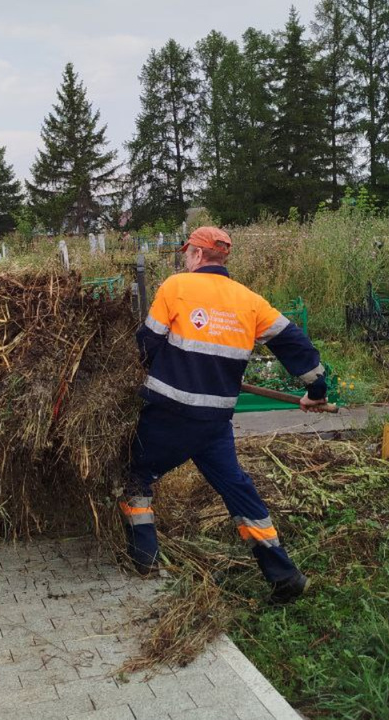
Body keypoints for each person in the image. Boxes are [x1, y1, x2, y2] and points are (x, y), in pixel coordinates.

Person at [123, 226, 327, 605]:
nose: (186, 258)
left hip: (170, 413)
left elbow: (147, 343)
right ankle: (284, 576)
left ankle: (145, 561)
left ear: (198, 255)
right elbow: (292, 341)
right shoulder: (249, 301)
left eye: (188, 253)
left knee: (135, 476)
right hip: (214, 421)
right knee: (237, 489)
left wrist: (148, 371)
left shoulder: (176, 287)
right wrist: (316, 390)